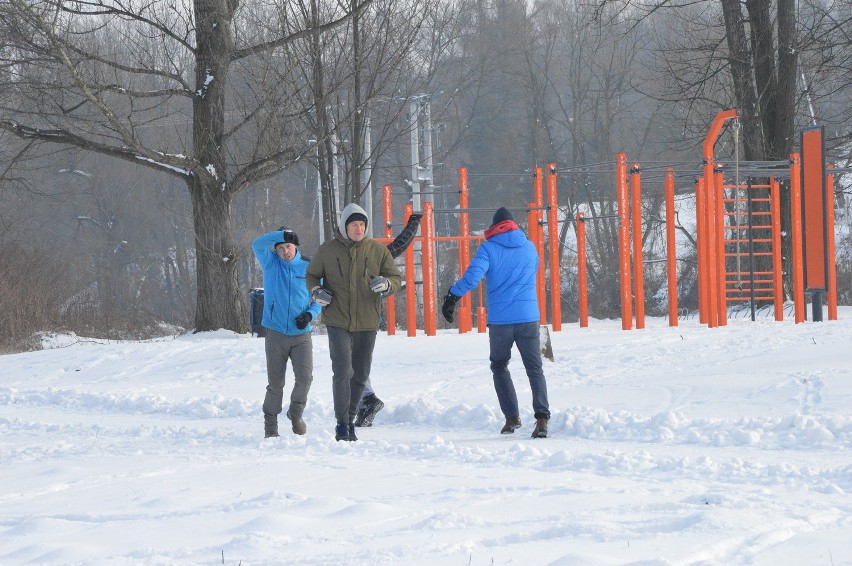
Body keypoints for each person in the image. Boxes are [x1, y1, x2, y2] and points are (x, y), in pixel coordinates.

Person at [441, 207, 551, 438]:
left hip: (501, 321)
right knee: (535, 368)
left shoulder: (488, 249)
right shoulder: (530, 247)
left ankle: (512, 418)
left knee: (500, 366)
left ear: (494, 226)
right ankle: (541, 419)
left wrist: (452, 296)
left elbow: (472, 278)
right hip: (529, 317)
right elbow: (534, 271)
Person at [306, 203, 402, 441]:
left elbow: (395, 277)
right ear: (344, 226)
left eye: (362, 224)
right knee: (342, 371)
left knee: (360, 374)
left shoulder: (377, 251)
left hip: (367, 321)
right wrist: (316, 290)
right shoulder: (328, 250)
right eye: (354, 224)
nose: (359, 229)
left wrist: (387, 285)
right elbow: (311, 275)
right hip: (337, 319)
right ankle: (341, 424)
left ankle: (350, 420)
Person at [354, 211, 423, 428]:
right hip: (361, 316)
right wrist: (413, 225)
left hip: (356, 316)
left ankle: (366, 400)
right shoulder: (338, 256)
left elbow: (396, 247)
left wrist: (412, 225)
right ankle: (364, 405)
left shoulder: (373, 255)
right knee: (355, 363)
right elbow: (398, 247)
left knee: (349, 363)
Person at [252, 226, 322, 438]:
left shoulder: (309, 267)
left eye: (289, 246)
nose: (285, 251)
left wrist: (310, 315)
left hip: (301, 335)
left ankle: (296, 413)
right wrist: (281, 236)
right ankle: (270, 426)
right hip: (275, 333)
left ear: (296, 247)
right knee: (276, 383)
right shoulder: (270, 262)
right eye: (281, 247)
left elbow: (322, 297)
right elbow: (257, 244)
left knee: (305, 378)